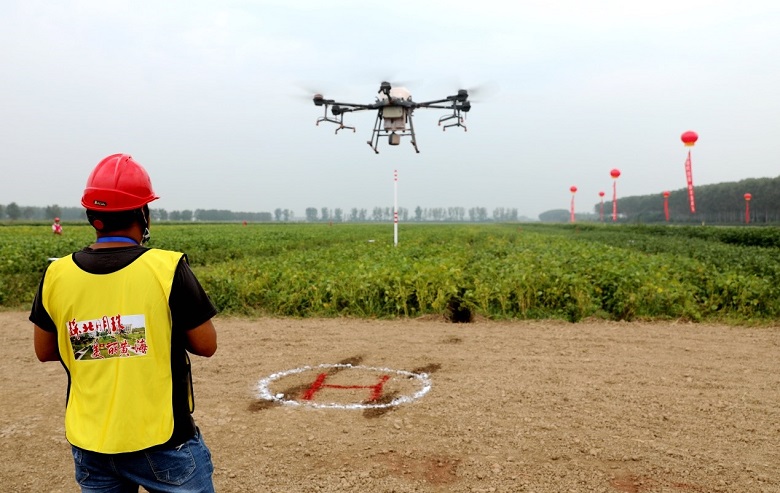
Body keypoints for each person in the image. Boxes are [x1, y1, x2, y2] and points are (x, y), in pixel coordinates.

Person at [30, 153, 218, 493]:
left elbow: (44, 350)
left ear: (92, 215)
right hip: (163, 441)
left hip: (91, 445)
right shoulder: (167, 268)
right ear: (142, 213)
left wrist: (98, 340)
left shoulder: (56, 273)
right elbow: (206, 345)